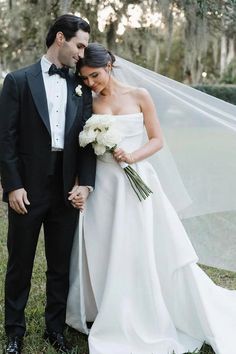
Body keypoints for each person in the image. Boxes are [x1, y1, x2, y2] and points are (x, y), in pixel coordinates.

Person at [66, 43, 236, 354]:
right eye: (86, 78)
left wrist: (132, 155)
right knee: (107, 244)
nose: (91, 83)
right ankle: (108, 306)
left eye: (95, 75)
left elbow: (157, 139)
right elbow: (82, 150)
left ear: (110, 64)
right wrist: (83, 184)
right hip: (104, 185)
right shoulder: (87, 102)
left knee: (142, 244)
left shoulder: (140, 95)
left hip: (137, 180)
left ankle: (149, 308)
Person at [0, 14, 96, 354]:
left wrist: (84, 184)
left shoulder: (80, 86)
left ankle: (54, 329)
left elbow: (88, 140)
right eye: (79, 45)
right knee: (20, 262)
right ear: (60, 38)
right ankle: (14, 332)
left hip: (66, 188)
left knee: (59, 264)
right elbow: (6, 139)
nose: (82, 54)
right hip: (27, 187)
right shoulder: (18, 81)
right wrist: (13, 185)